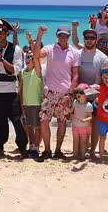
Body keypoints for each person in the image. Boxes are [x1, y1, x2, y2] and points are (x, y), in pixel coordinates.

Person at [0, 18, 28, 157]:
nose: (0, 33)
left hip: (9, 92)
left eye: (2, 31)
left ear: (7, 33)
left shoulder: (16, 50)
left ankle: (22, 147)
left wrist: (2, 60)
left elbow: (16, 70)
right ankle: (0, 148)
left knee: (17, 121)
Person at [33, 25, 78, 160]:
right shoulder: (50, 48)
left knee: (62, 122)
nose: (63, 38)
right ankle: (47, 150)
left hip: (65, 93)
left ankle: (58, 150)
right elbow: (36, 55)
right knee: (44, 121)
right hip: (49, 92)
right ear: (57, 36)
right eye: (60, 35)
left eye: (65, 35)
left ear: (69, 37)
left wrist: (70, 94)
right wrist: (39, 35)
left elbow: (75, 75)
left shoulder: (74, 53)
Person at [71, 26, 108, 158]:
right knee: (80, 123)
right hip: (79, 95)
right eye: (87, 38)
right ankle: (81, 150)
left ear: (96, 40)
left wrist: (98, 91)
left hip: (95, 96)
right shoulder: (77, 54)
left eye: (92, 38)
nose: (89, 40)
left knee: (93, 124)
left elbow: (105, 80)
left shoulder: (103, 57)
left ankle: (92, 151)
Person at [19, 48, 43, 159]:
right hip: (26, 104)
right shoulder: (23, 72)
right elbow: (21, 89)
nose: (28, 60)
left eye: (30, 58)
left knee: (37, 127)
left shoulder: (37, 71)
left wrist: (32, 45)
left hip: (36, 103)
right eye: (26, 58)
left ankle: (37, 148)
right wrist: (21, 104)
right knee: (29, 127)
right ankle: (31, 146)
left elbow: (37, 59)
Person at [70, 86, 93, 160]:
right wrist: (67, 110)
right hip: (75, 125)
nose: (78, 94)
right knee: (75, 141)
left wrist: (85, 119)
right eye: (77, 92)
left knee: (83, 142)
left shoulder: (89, 105)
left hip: (84, 126)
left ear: (86, 95)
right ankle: (75, 156)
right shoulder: (75, 102)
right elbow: (71, 111)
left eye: (81, 93)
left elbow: (90, 117)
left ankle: (82, 156)